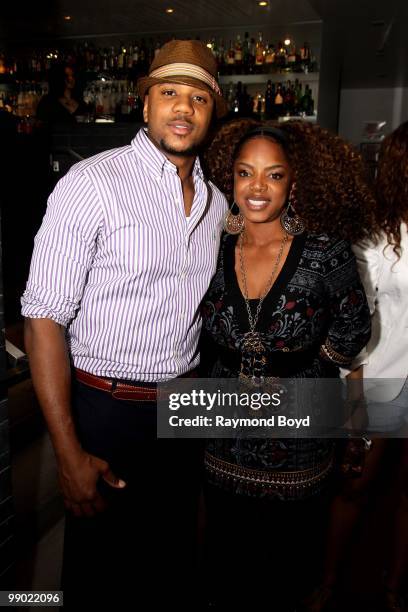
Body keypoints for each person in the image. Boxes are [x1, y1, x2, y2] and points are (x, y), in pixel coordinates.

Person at [21, 40, 228, 609]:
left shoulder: (215, 204)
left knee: (169, 562)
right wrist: (67, 453)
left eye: (197, 98)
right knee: (100, 572)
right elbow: (42, 320)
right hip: (105, 409)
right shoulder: (93, 183)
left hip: (184, 408)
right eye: (168, 93)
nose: (182, 108)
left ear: (212, 113)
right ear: (144, 107)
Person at [199, 119, 375, 610]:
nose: (257, 188)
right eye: (244, 173)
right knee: (225, 562)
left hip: (299, 438)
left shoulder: (325, 251)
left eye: (273, 175)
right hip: (221, 434)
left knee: (286, 565)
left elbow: (354, 328)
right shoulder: (207, 248)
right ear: (229, 179)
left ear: (293, 182)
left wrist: (305, 368)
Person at [315, 121, 408, 612]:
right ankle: (327, 583)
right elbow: (355, 320)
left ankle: (396, 586)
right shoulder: (375, 237)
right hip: (384, 381)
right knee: (355, 487)